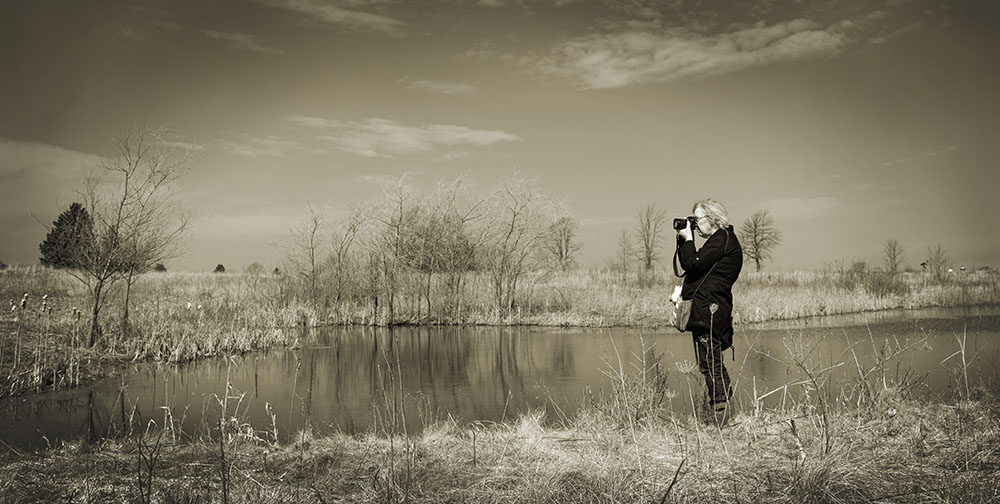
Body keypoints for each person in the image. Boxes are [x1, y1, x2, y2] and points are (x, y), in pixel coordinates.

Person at [675, 199, 743, 425]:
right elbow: (696, 267)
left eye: (697, 219)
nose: (695, 225)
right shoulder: (721, 240)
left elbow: (692, 263)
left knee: (710, 364)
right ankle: (728, 415)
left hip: (710, 311)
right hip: (710, 309)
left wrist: (688, 240)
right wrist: (685, 240)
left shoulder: (721, 238)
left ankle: (721, 417)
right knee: (712, 363)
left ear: (713, 218)